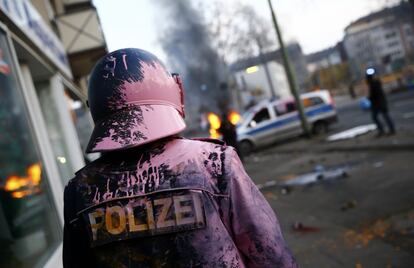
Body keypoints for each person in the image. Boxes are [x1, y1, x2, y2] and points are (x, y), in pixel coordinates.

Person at [63, 48, 297, 268]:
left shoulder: (79, 192)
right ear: (175, 93)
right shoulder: (213, 163)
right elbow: (270, 254)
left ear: (95, 109)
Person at [366, 68, 396, 136]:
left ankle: (384, 130)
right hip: (380, 103)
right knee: (383, 116)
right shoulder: (376, 83)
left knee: (378, 117)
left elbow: (373, 95)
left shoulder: (373, 84)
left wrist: (369, 98)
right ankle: (389, 130)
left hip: (378, 104)